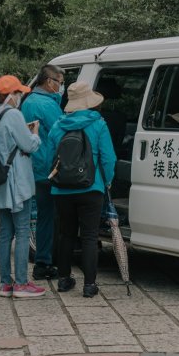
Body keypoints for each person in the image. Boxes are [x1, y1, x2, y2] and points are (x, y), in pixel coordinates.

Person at [45, 81, 117, 298]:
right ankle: (89, 285)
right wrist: (108, 181)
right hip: (91, 188)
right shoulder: (98, 124)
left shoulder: (58, 126)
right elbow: (108, 158)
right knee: (89, 236)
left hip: (62, 189)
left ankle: (64, 279)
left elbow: (50, 157)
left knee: (66, 234)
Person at [0, 75, 46, 299]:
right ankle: (21, 283)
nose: (20, 97)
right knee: (22, 231)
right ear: (10, 96)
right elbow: (29, 145)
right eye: (19, 93)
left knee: (4, 233)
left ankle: (5, 284)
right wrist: (35, 133)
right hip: (17, 181)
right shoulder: (13, 115)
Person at [20, 64, 66, 280]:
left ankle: (41, 261)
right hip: (49, 169)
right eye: (60, 82)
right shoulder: (47, 105)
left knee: (40, 217)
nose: (61, 87)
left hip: (33, 167)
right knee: (49, 217)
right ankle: (44, 263)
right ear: (49, 82)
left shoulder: (27, 101)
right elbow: (63, 131)